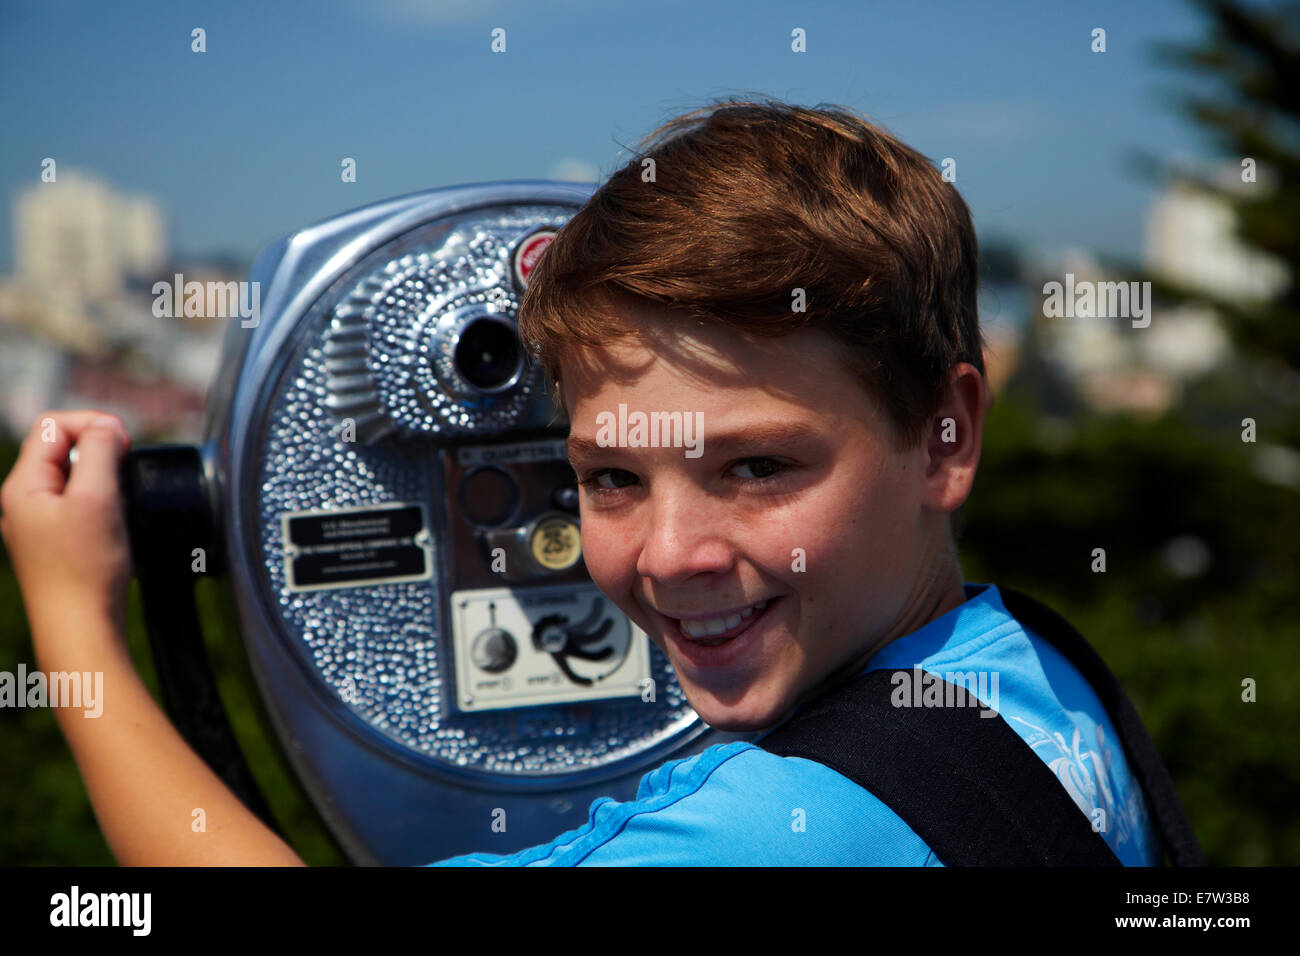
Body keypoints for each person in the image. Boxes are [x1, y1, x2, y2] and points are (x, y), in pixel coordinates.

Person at [0, 98, 1162, 866]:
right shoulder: (1031, 667)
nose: (668, 554)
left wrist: (71, 620)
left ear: (945, 437)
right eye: (603, 478)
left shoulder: (776, 835)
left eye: (755, 465)